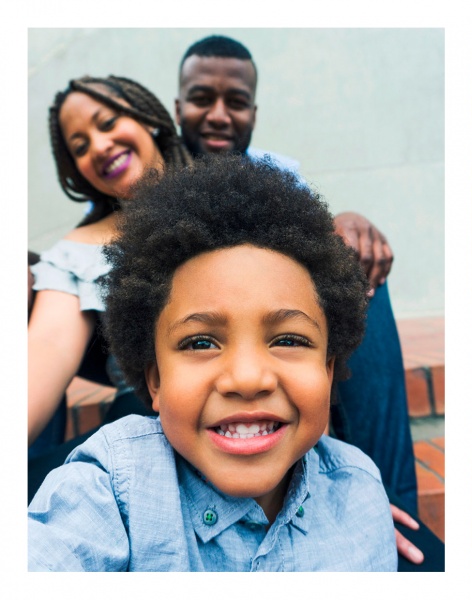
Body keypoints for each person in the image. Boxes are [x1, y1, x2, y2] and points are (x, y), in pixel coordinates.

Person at [29, 155, 397, 571]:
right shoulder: (111, 487)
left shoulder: (359, 494)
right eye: (200, 342)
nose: (246, 378)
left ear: (328, 372)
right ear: (155, 381)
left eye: (289, 339)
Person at [175, 35, 429, 562]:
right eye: (202, 98)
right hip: (198, 348)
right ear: (179, 106)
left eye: (236, 102)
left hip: (275, 334)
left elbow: (317, 244)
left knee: (356, 273)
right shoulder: (158, 175)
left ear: (254, 111)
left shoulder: (277, 175)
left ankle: (393, 507)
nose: (220, 114)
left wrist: (348, 224)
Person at [28, 76, 191, 451]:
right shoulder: (75, 255)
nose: (99, 146)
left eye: (107, 123)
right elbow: (45, 351)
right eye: (80, 147)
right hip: (141, 443)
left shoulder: (236, 195)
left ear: (146, 117)